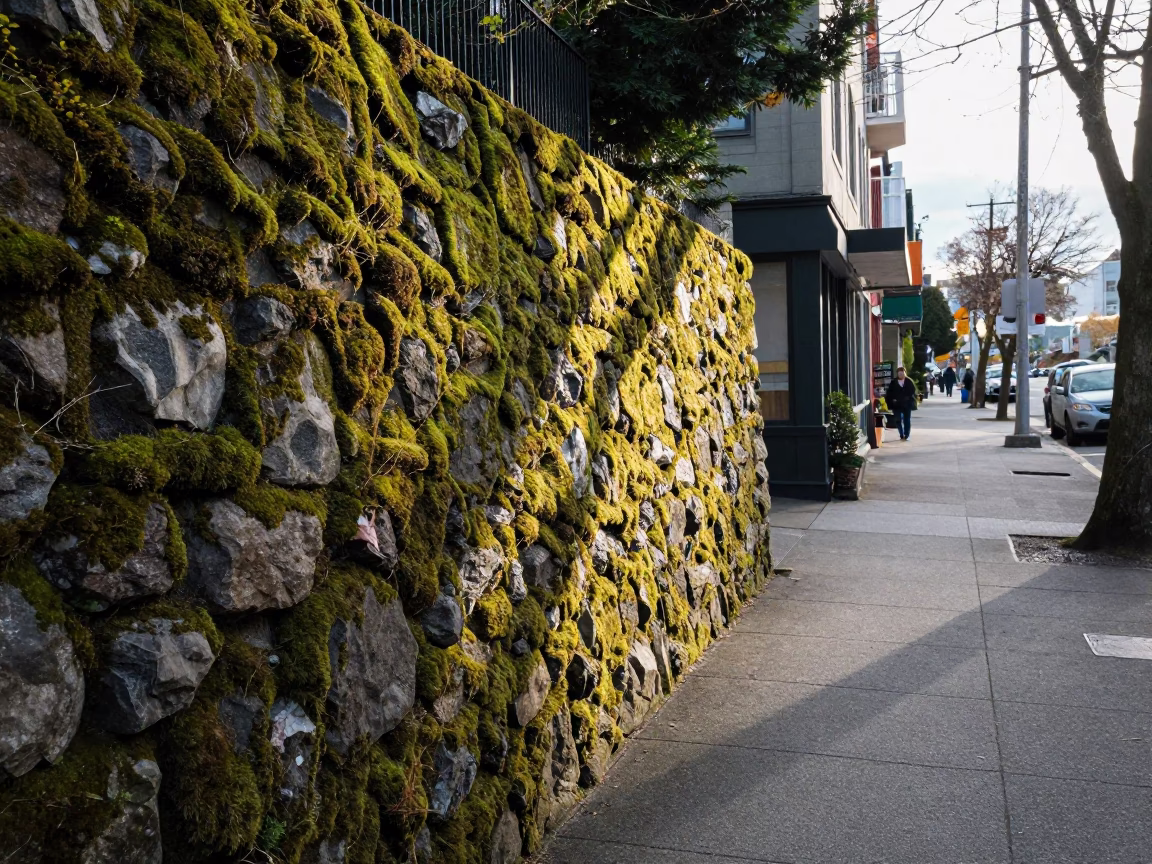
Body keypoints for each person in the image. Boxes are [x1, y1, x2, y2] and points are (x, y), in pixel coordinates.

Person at [885, 366, 917, 441]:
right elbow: (889, 393)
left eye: (902, 373)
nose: (901, 375)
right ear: (897, 374)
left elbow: (913, 392)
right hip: (896, 404)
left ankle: (907, 434)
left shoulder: (909, 381)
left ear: (905, 373)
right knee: (898, 419)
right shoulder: (893, 382)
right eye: (899, 373)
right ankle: (901, 433)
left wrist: (909, 399)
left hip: (907, 404)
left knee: (907, 420)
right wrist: (892, 400)